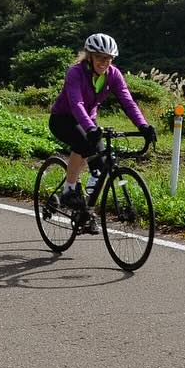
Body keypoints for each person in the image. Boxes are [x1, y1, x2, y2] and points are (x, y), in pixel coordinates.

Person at [48, 32, 157, 230]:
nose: (103, 62)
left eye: (108, 58)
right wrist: (90, 128)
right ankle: (68, 192)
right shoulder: (75, 72)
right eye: (99, 57)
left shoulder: (114, 75)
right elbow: (76, 103)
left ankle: (86, 211)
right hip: (63, 119)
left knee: (101, 163)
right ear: (89, 56)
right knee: (83, 145)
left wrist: (143, 126)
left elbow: (128, 102)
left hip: (88, 121)